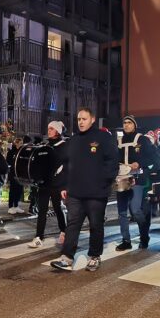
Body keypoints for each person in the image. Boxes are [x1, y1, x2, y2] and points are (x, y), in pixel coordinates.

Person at [50, 107, 119, 272]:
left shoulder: (103, 137)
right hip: (75, 193)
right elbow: (66, 165)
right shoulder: (73, 141)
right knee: (72, 224)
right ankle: (67, 258)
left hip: (96, 193)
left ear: (92, 119)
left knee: (95, 225)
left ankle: (94, 256)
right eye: (79, 119)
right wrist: (64, 186)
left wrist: (104, 182)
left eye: (84, 119)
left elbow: (112, 161)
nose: (81, 122)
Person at [115, 114, 158, 252]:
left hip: (137, 179)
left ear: (134, 124)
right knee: (121, 211)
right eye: (125, 122)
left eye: (129, 122)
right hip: (121, 177)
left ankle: (144, 234)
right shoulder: (118, 141)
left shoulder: (143, 139)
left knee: (135, 210)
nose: (126, 125)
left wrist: (139, 163)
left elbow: (153, 158)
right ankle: (126, 240)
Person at [28, 121, 68, 248]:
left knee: (58, 209)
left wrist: (64, 185)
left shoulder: (64, 146)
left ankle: (64, 231)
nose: (49, 131)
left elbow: (66, 166)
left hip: (57, 185)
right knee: (42, 211)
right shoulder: (45, 146)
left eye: (51, 129)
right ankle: (39, 236)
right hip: (44, 184)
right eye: (48, 128)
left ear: (57, 131)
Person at [6, 138, 25, 214]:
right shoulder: (11, 152)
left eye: (22, 143)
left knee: (19, 190)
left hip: (20, 175)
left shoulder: (22, 152)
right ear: (16, 143)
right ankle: (10, 207)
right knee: (12, 190)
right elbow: (8, 162)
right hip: (13, 174)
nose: (21, 144)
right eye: (20, 143)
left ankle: (16, 206)